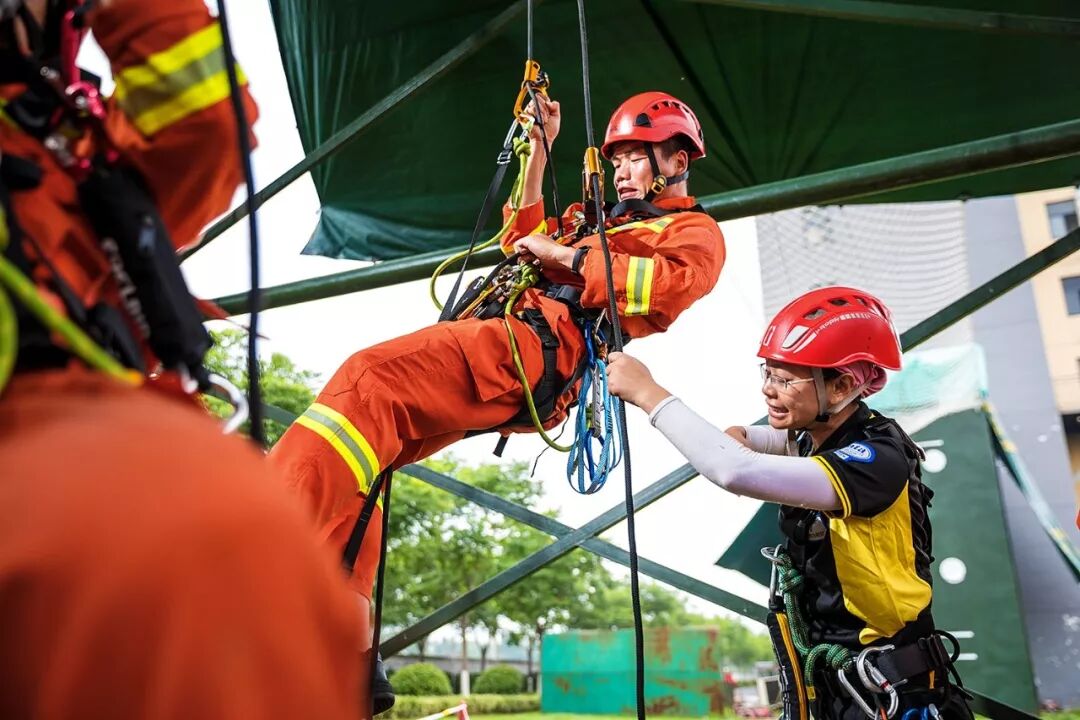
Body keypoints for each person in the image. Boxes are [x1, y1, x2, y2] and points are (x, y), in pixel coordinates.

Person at [0, 1, 364, 717]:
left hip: (104, 431)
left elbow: (204, 132)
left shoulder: (60, 132)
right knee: (205, 532)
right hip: (93, 470)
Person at [270, 90, 726, 657]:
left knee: (368, 383)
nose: (622, 171)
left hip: (536, 349)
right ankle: (346, 639)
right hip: (512, 345)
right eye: (617, 160)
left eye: (637, 157)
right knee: (373, 447)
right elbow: (519, 239)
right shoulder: (593, 220)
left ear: (677, 162)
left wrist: (561, 258)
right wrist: (539, 148)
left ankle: (255, 557)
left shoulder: (692, 234)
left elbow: (664, 289)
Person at [606, 286, 974, 720]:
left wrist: (649, 393)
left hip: (894, 695)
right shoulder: (812, 439)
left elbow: (734, 471)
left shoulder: (875, 458)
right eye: (767, 373)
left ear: (841, 387)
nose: (769, 390)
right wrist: (743, 440)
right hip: (837, 691)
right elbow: (741, 442)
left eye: (784, 380)